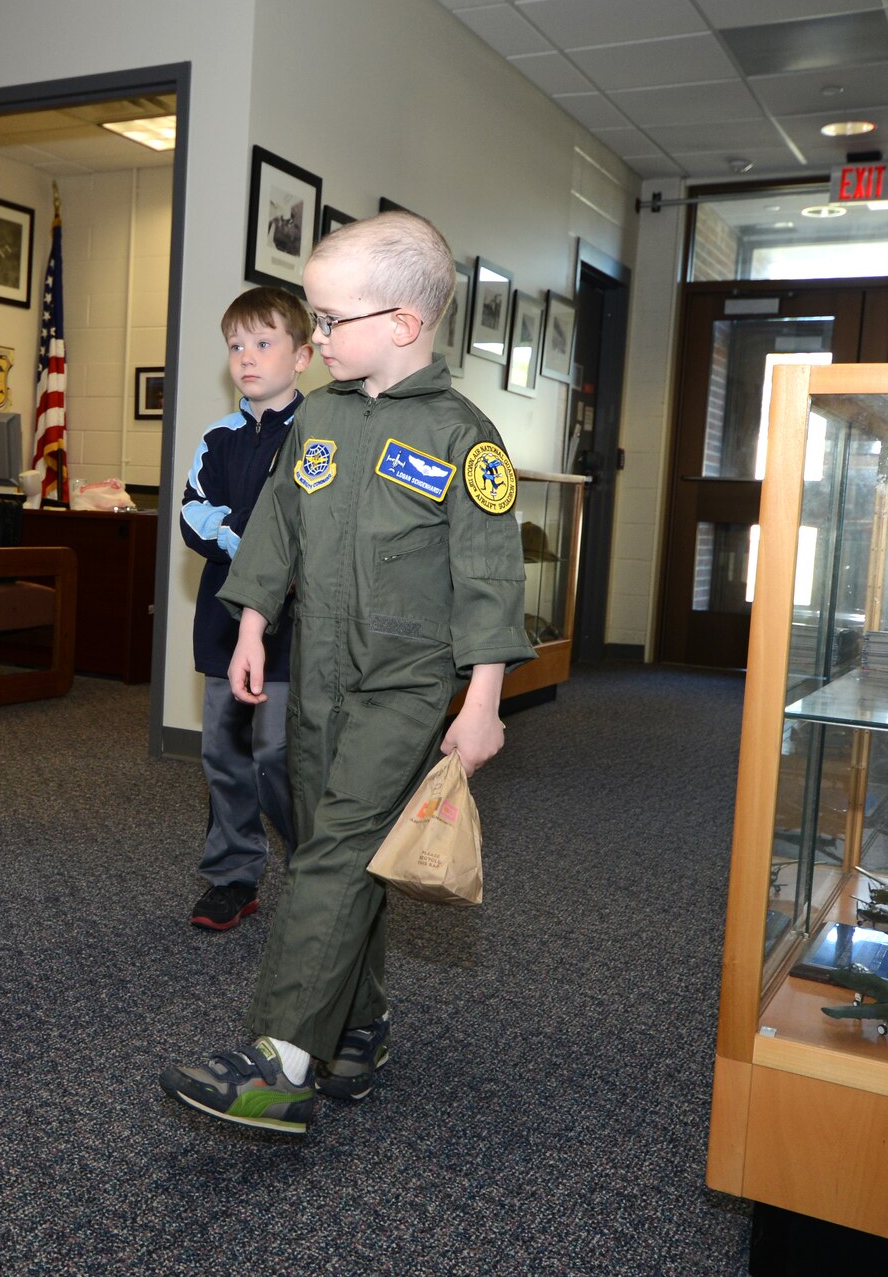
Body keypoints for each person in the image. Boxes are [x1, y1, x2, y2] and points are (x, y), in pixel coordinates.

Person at [159, 211, 531, 1133]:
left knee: (328, 852)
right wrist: (250, 626)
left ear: (403, 322)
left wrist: (482, 701)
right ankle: (359, 1021)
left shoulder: (462, 438)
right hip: (315, 669)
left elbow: (490, 580)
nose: (314, 339)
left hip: (403, 688)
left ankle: (280, 1057)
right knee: (348, 850)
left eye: (329, 322)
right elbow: (279, 526)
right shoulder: (318, 417)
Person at [179, 288, 311, 930]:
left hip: (294, 631)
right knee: (224, 754)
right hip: (224, 623)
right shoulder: (219, 437)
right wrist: (256, 536)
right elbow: (193, 517)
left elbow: (312, 530)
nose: (247, 357)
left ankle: (318, 870)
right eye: (237, 346)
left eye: (264, 343)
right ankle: (233, 874)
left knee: (277, 757)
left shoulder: (320, 438)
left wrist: (252, 534)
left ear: (304, 354)